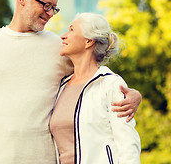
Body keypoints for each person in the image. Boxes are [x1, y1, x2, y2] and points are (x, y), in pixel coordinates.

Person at [0, 0, 142, 164]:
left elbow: (93, 77)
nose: (50, 13)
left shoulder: (60, 49)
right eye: (46, 5)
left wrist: (133, 95)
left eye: (54, 8)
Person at [50, 12, 141, 164]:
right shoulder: (61, 87)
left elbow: (127, 144)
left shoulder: (110, 84)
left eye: (71, 30)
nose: (63, 36)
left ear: (89, 42)